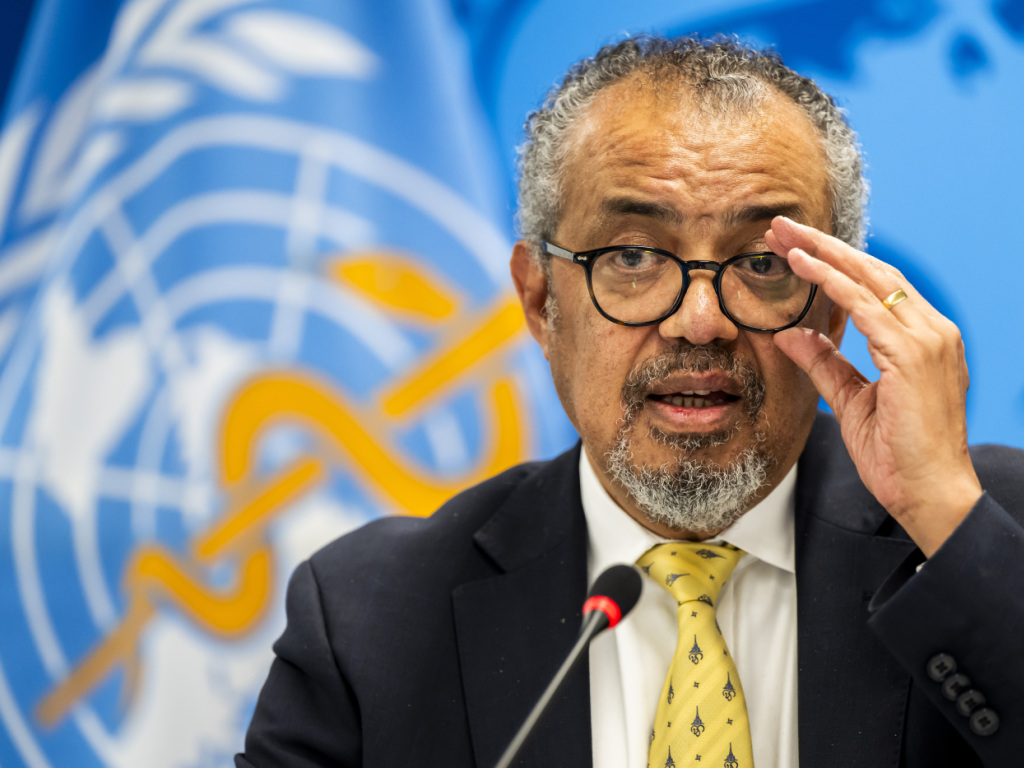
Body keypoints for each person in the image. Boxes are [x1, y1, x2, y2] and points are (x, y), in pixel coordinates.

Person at [236, 35, 1024, 768]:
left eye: (762, 263)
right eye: (635, 256)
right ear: (540, 301)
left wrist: (943, 516)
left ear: (835, 310)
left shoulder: (987, 531)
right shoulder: (371, 621)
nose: (700, 321)